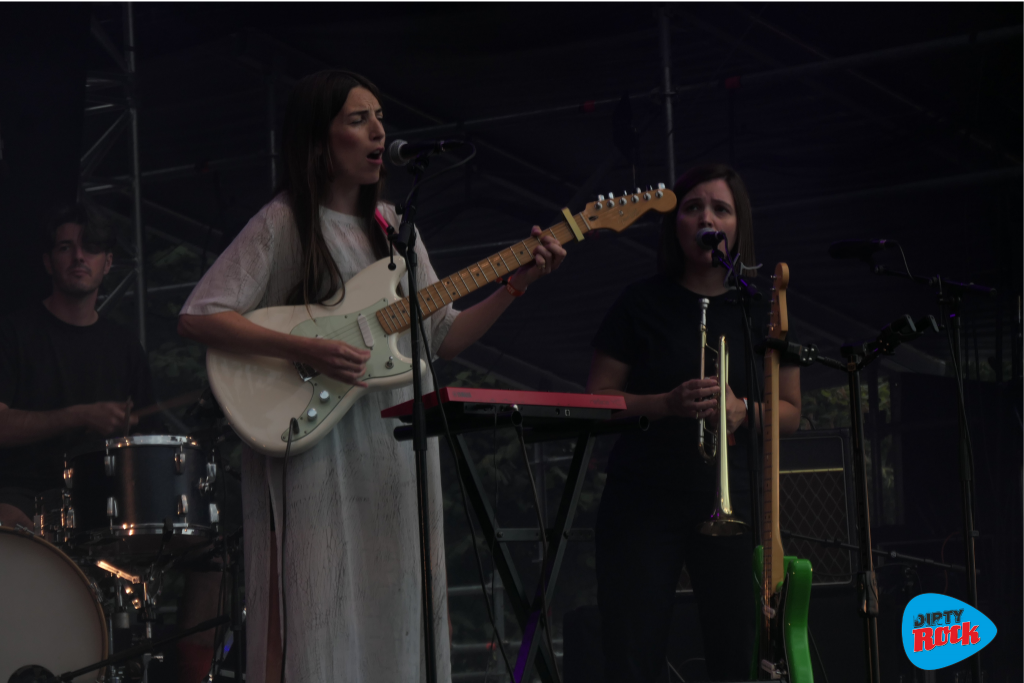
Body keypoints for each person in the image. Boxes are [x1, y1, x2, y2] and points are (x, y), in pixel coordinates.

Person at [177, 69, 567, 683]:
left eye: (380, 117)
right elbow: (201, 315)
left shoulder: (395, 232)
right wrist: (308, 349)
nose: (379, 131)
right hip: (313, 445)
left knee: (394, 606)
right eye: (358, 119)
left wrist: (518, 284)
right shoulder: (284, 222)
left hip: (390, 450)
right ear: (318, 141)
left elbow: (442, 336)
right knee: (312, 609)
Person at [587, 164, 802, 681]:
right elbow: (596, 399)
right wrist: (665, 403)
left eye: (721, 208)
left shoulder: (764, 308)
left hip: (734, 500)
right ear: (674, 224)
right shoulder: (639, 303)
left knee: (739, 650)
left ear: (737, 226)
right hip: (642, 498)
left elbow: (792, 412)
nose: (707, 217)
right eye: (692, 207)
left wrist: (742, 410)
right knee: (632, 650)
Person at [0, 204, 152, 530]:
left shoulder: (125, 347)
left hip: (103, 498)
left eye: (92, 248)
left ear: (108, 263)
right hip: (21, 494)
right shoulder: (11, 334)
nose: (79, 257)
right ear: (47, 262)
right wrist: (81, 415)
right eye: (66, 247)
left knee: (208, 554)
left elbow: (148, 440)